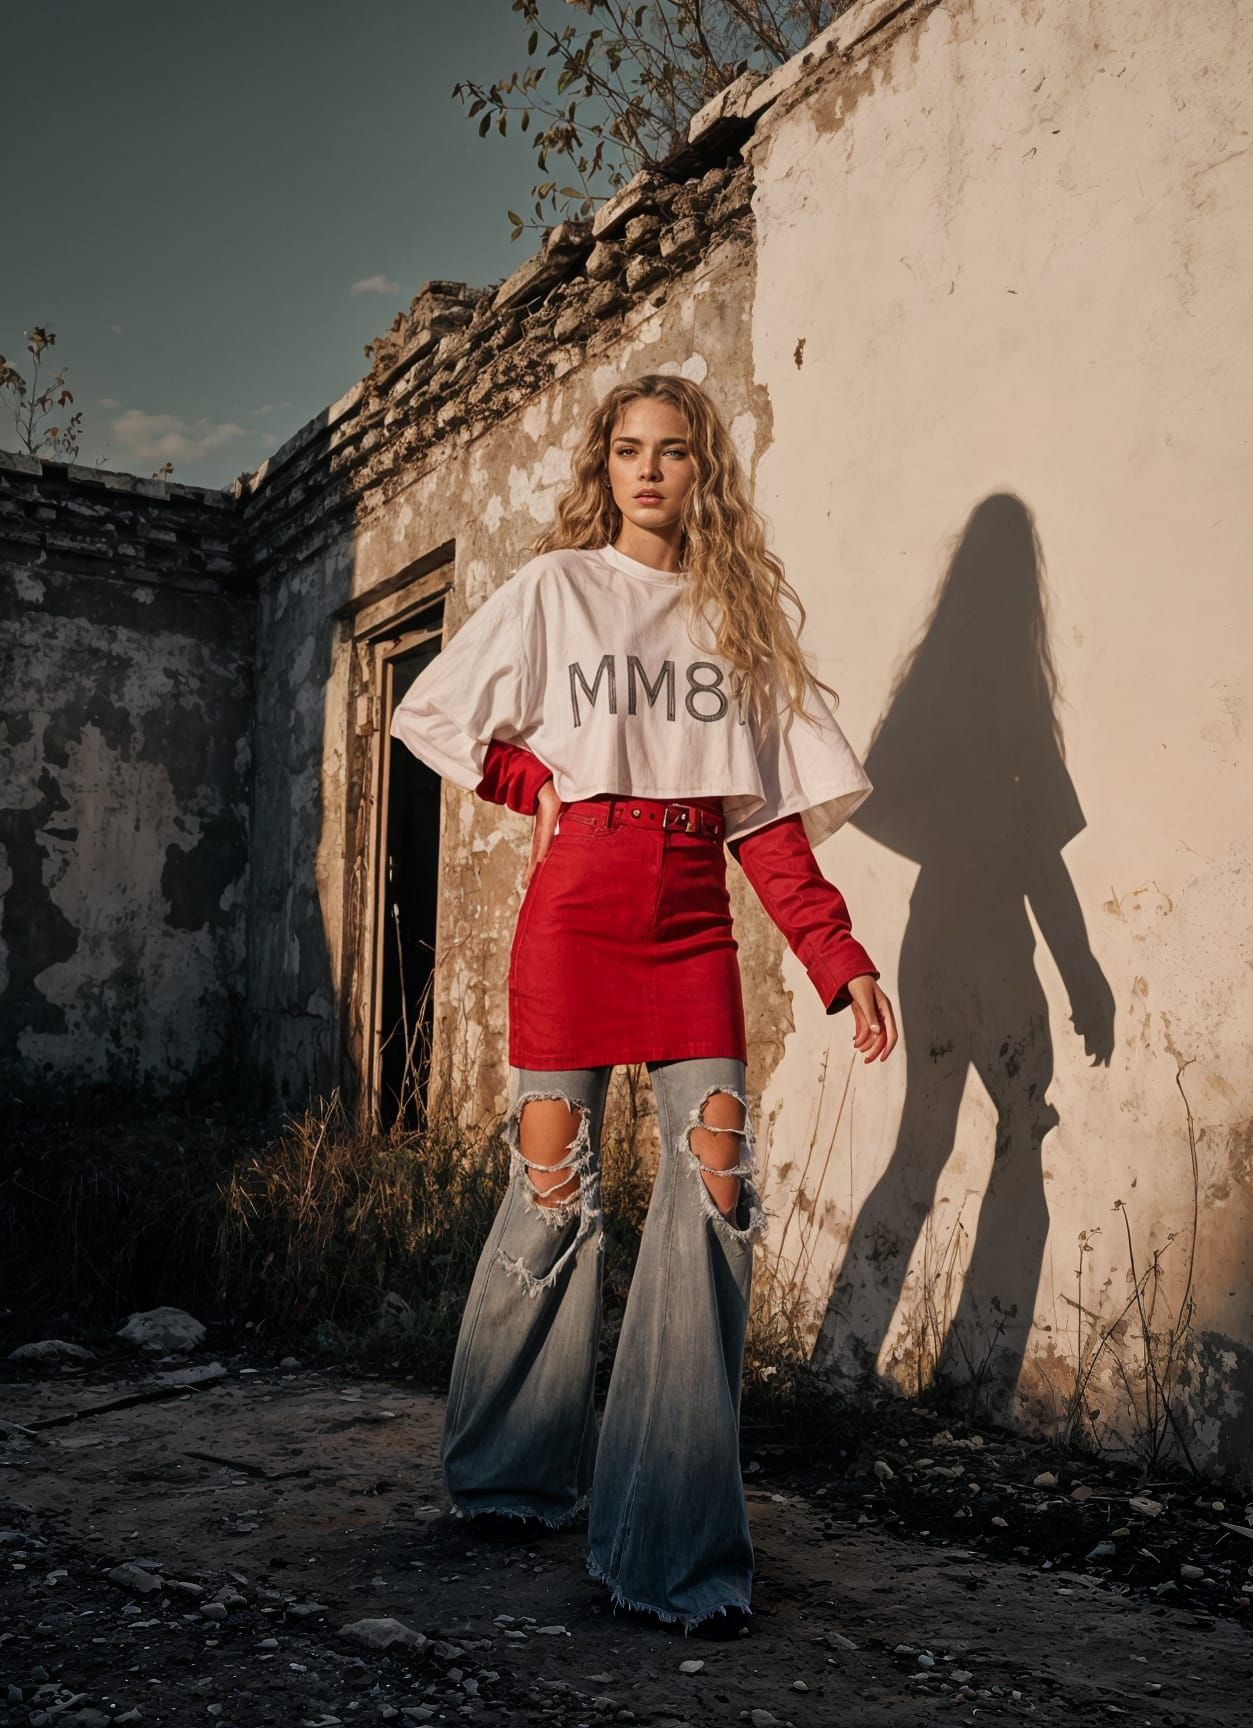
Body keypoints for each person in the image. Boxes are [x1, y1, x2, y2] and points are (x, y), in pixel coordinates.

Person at [390, 372, 898, 1638]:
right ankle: (513, 1475)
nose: (651, 472)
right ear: (605, 467)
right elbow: (433, 713)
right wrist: (525, 778)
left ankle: (668, 1537)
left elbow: (768, 826)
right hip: (574, 920)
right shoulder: (558, 589)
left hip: (689, 930)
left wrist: (840, 959)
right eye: (629, 451)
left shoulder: (736, 622)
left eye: (674, 452)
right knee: (555, 1194)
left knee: (718, 1195)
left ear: (703, 472)